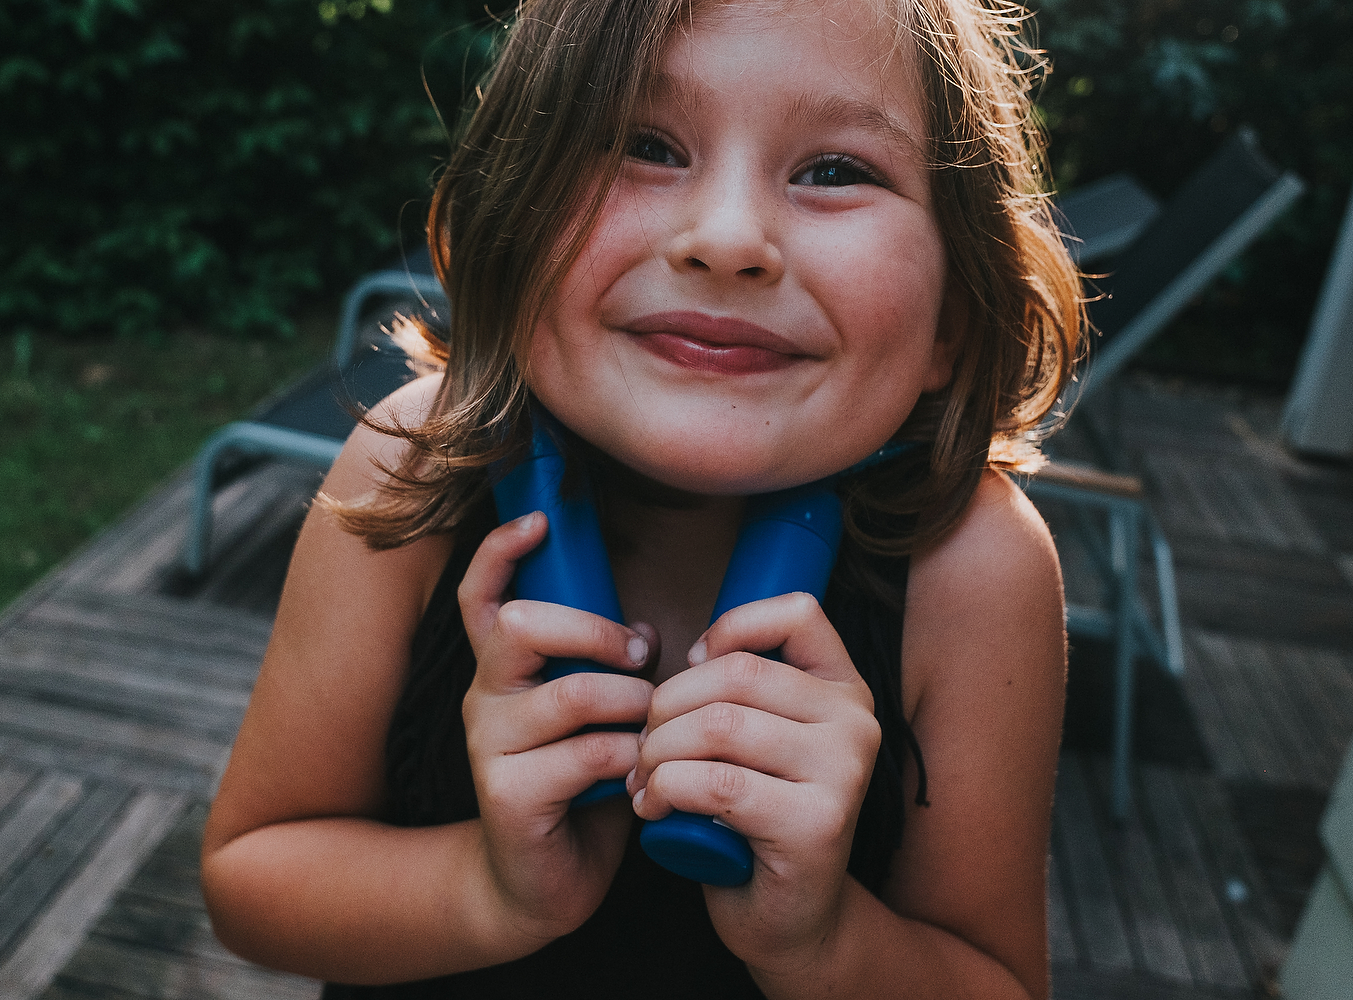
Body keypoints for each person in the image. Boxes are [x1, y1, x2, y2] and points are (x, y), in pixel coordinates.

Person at [201, 0, 1082, 996]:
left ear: (954, 320)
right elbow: (249, 877)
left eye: (836, 171)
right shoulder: (414, 464)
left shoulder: (977, 574)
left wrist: (823, 940)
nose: (728, 238)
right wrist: (492, 892)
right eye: (644, 145)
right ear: (509, 224)